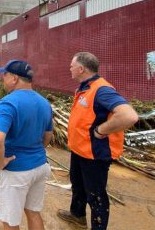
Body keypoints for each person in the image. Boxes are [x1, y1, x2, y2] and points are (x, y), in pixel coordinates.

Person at [57, 52, 138, 230]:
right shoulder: (85, 88)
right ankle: (77, 215)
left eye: (72, 65)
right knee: (78, 186)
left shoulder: (102, 89)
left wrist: (101, 131)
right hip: (79, 150)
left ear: (81, 69)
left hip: (94, 154)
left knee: (96, 195)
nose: (69, 68)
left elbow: (129, 116)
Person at [0, 59, 53, 230]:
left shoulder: (9, 102)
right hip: (40, 166)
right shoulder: (44, 103)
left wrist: (0, 162)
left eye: (5, 74)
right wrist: (36, 150)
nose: (3, 78)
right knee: (33, 212)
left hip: (16, 172)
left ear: (15, 78)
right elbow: (48, 136)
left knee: (10, 221)